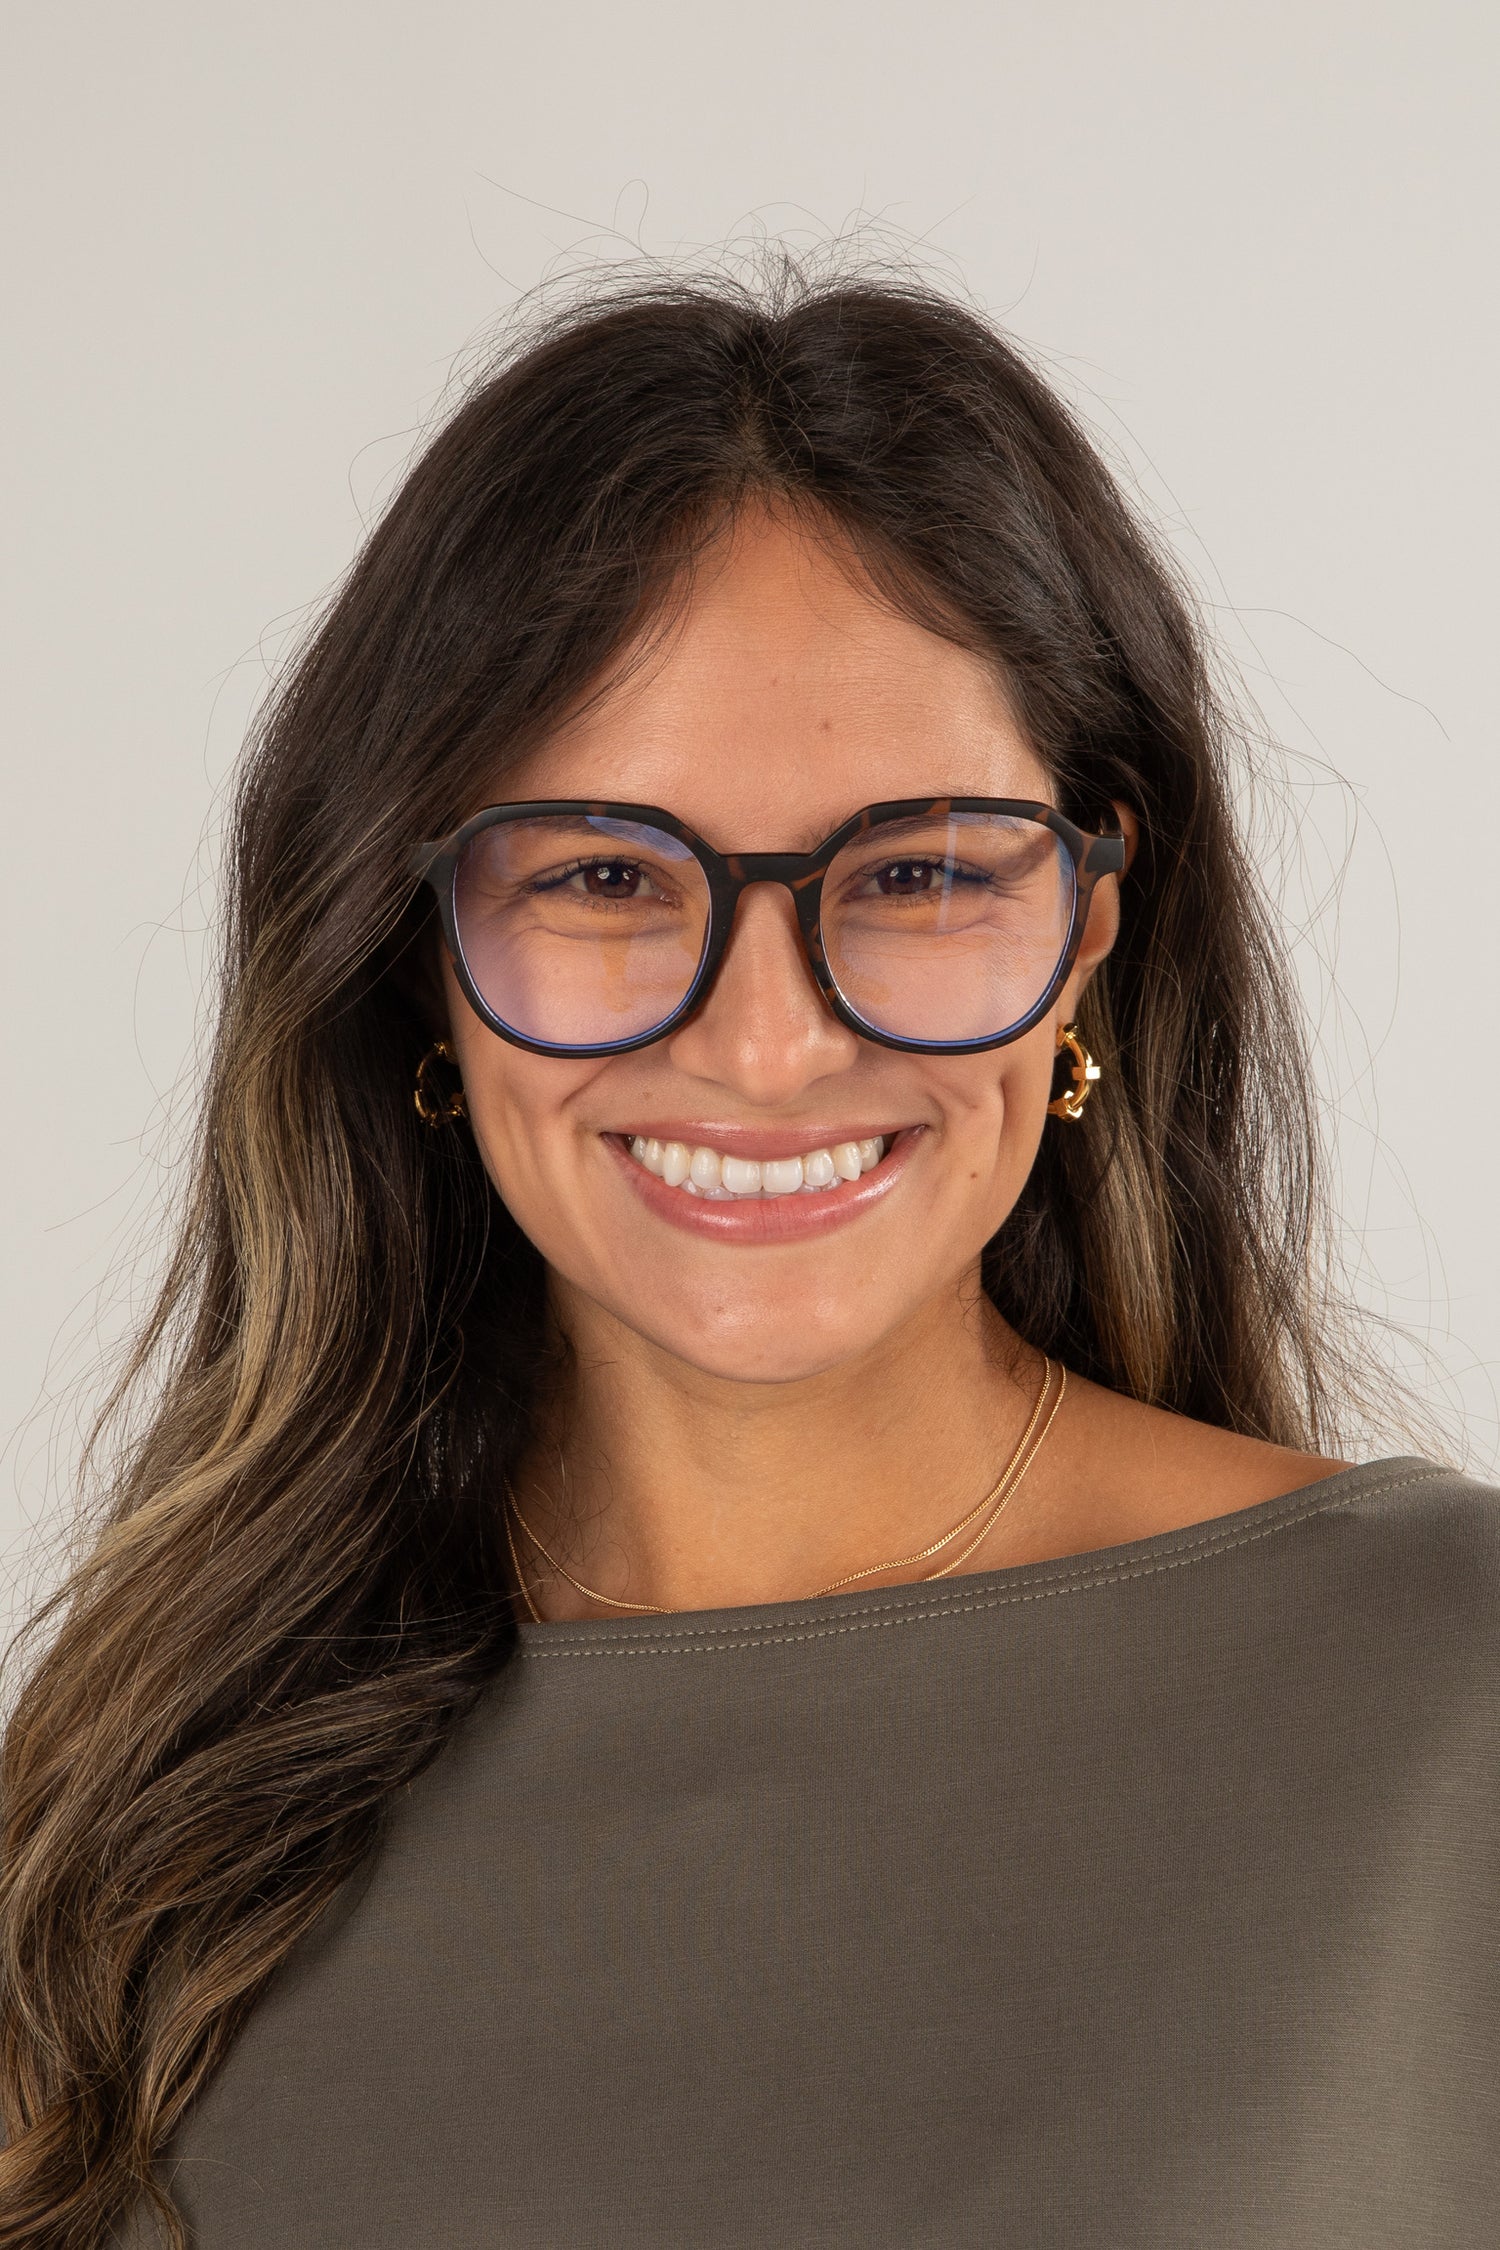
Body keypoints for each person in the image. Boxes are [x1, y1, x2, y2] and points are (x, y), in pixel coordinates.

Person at [2, 263, 1495, 2250]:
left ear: (1094, 931)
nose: (770, 1041)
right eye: (609, 877)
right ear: (418, 962)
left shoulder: (1450, 1701)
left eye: (922, 874)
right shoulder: (136, 1819)